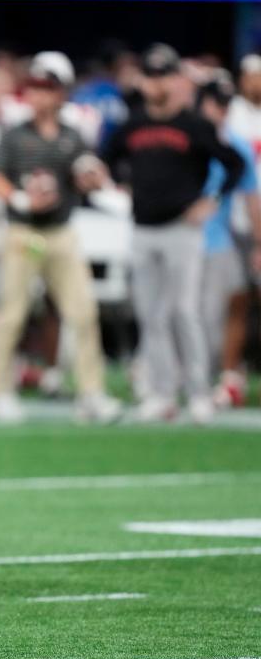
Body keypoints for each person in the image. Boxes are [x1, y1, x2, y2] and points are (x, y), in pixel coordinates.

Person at [103, 44, 244, 423]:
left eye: (164, 75)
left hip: (182, 229)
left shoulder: (193, 125)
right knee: (151, 315)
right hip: (143, 227)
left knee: (185, 311)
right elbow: (108, 156)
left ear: (175, 79)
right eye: (151, 75)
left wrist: (210, 200)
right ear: (143, 80)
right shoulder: (132, 124)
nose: (157, 83)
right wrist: (121, 183)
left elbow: (234, 164)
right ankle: (162, 393)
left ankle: (198, 392)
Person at [0, 52, 122, 424]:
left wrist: (93, 176)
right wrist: (19, 198)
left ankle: (92, 392)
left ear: (59, 94)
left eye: (46, 90)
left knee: (82, 312)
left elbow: (86, 171)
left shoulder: (71, 135)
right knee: (11, 314)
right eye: (34, 89)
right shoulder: (15, 136)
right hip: (22, 232)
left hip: (60, 232)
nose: (39, 97)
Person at [196, 71, 261, 407]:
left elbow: (251, 195)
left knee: (223, 307)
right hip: (182, 236)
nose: (219, 110)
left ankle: (220, 376)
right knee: (173, 313)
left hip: (221, 238)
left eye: (224, 103)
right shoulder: (187, 136)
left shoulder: (235, 144)